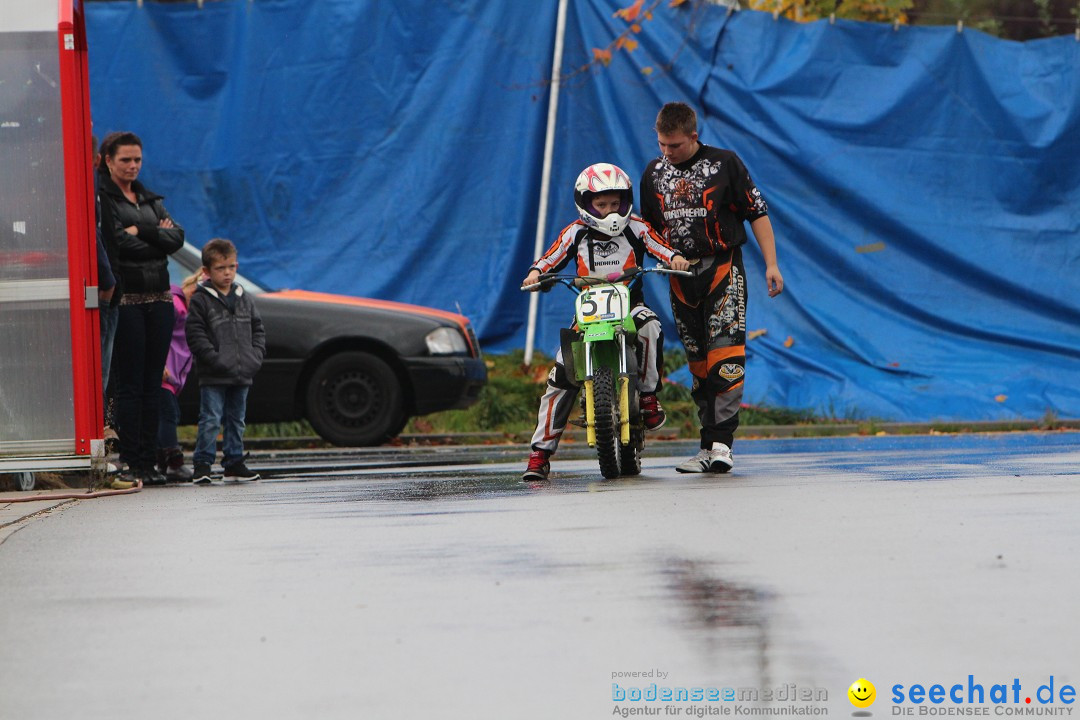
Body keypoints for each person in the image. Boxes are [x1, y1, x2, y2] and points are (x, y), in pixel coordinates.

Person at [639, 102, 784, 474]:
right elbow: (649, 233)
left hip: (722, 268)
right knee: (699, 366)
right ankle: (707, 445)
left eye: (675, 146)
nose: (667, 153)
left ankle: (723, 444)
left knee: (726, 358)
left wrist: (771, 264)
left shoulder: (725, 164)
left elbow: (757, 212)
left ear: (693, 136)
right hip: (680, 278)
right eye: (662, 145)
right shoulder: (652, 173)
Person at [521, 163, 690, 482]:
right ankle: (540, 454)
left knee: (651, 326)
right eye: (601, 204)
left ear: (626, 202)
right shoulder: (575, 232)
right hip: (586, 315)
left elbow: (660, 247)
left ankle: (649, 395)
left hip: (631, 306)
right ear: (586, 204)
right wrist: (536, 274)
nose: (610, 211)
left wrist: (674, 258)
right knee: (560, 375)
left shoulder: (637, 228)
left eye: (615, 203)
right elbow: (550, 258)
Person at [97, 132, 185, 486]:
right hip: (128, 300)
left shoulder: (149, 198)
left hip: (160, 299)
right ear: (108, 160)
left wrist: (143, 230)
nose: (132, 166)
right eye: (125, 160)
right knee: (130, 385)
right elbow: (119, 243)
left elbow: (176, 238)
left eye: (137, 160)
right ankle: (132, 460)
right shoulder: (104, 197)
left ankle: (149, 462)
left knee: (154, 383)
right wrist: (154, 237)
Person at [186, 238, 266, 484]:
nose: (227, 273)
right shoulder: (201, 299)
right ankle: (203, 464)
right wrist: (215, 359)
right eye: (221, 268)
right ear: (207, 272)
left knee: (236, 419)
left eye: (231, 267)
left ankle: (233, 461)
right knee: (211, 418)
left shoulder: (244, 297)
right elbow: (195, 334)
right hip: (214, 372)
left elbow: (257, 329)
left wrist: (255, 357)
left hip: (242, 372)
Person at [156, 271, 202, 482]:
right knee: (169, 413)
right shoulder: (176, 305)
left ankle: (161, 461)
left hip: (173, 374)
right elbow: (161, 335)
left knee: (166, 414)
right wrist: (160, 363)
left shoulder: (189, 311)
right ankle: (174, 462)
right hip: (166, 372)